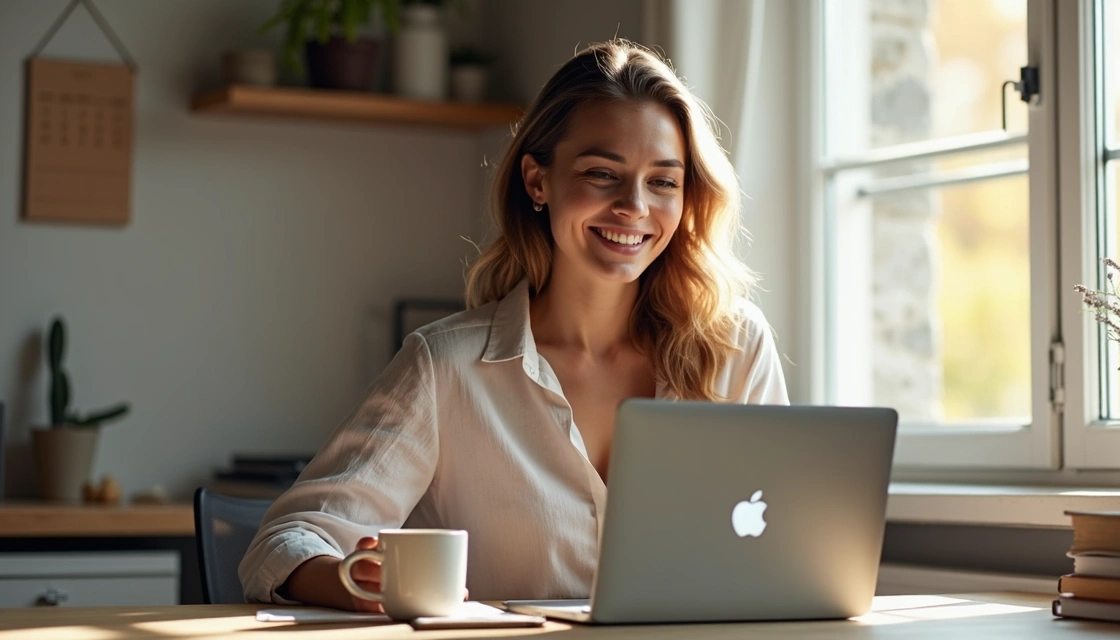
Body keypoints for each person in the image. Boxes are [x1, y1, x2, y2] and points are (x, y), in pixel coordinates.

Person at [238, 39, 789, 611]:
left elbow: (788, 541)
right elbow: (284, 544)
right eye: (602, 173)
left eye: (663, 181)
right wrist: (357, 583)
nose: (634, 206)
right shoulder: (446, 367)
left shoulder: (735, 347)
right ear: (537, 180)